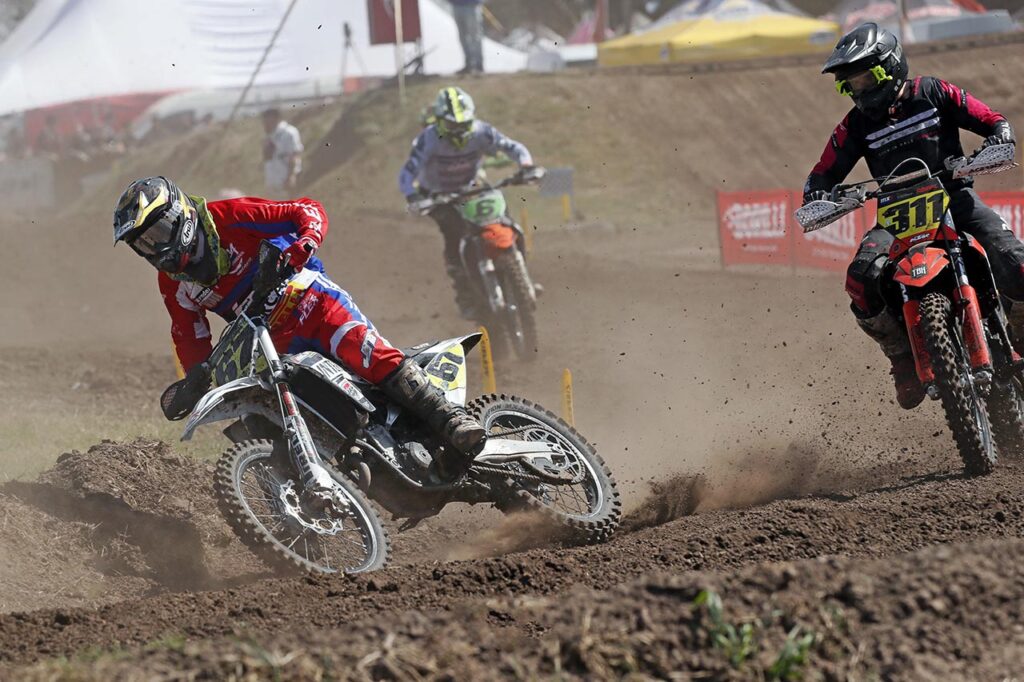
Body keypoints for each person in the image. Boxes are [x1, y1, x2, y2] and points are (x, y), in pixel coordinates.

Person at [112, 177, 486, 480]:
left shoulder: (229, 216)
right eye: (143, 243)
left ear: (179, 215)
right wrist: (195, 375)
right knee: (261, 405)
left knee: (361, 348)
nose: (154, 247)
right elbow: (188, 333)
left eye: (157, 232)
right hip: (269, 342)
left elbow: (304, 210)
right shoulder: (172, 283)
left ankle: (451, 419)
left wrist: (304, 242)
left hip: (312, 304)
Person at [803, 22, 1018, 409]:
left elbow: (990, 118)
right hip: (896, 214)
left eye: (864, 78)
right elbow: (822, 173)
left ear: (890, 66)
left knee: (1013, 258)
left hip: (953, 196)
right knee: (860, 279)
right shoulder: (854, 125)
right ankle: (902, 358)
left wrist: (999, 137)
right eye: (850, 84)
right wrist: (817, 196)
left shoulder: (933, 92)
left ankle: (1019, 330)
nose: (859, 90)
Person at [399, 86, 535, 319]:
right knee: (454, 234)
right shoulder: (428, 139)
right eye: (453, 125)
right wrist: (412, 196)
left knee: (502, 217)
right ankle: (464, 293)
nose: (460, 131)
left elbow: (513, 147)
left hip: (473, 188)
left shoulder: (482, 131)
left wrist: (526, 166)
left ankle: (519, 272)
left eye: (465, 124)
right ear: (440, 122)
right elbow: (406, 173)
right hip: (439, 196)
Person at [261, 108, 303, 196]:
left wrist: (291, 177)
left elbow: (294, 155)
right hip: (273, 182)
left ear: (274, 119)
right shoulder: (269, 135)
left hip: (286, 181)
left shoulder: (289, 133)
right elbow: (267, 158)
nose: (265, 124)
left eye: (267, 120)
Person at [451, 0, 484, 74]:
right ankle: (469, 64)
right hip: (456, 6)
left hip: (471, 6)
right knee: (463, 37)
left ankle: (478, 64)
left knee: (474, 36)